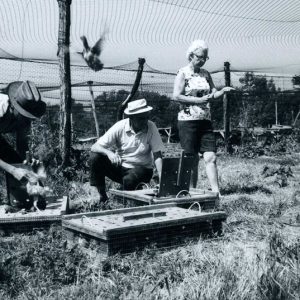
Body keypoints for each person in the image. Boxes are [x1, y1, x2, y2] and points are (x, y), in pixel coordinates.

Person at [173, 40, 234, 195]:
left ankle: (216, 193)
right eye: (200, 57)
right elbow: (176, 96)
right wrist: (197, 100)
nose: (202, 60)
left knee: (211, 156)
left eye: (205, 58)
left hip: (205, 120)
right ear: (191, 56)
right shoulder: (182, 73)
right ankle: (191, 191)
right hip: (188, 122)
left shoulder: (206, 74)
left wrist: (223, 91)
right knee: (191, 159)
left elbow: (213, 94)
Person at [90, 98, 165, 205]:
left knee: (130, 180)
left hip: (142, 169)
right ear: (131, 117)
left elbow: (157, 155)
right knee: (95, 157)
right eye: (141, 118)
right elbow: (95, 147)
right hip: (121, 167)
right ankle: (101, 195)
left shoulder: (151, 127)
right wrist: (109, 153)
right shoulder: (120, 126)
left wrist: (162, 178)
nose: (145, 121)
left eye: (146, 117)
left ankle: (127, 202)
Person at [0, 80, 46, 209]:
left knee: (14, 160)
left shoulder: (24, 116)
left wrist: (27, 166)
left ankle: (18, 202)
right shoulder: (0, 107)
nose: (26, 119)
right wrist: (12, 170)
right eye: (24, 114)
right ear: (13, 107)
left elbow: (22, 144)